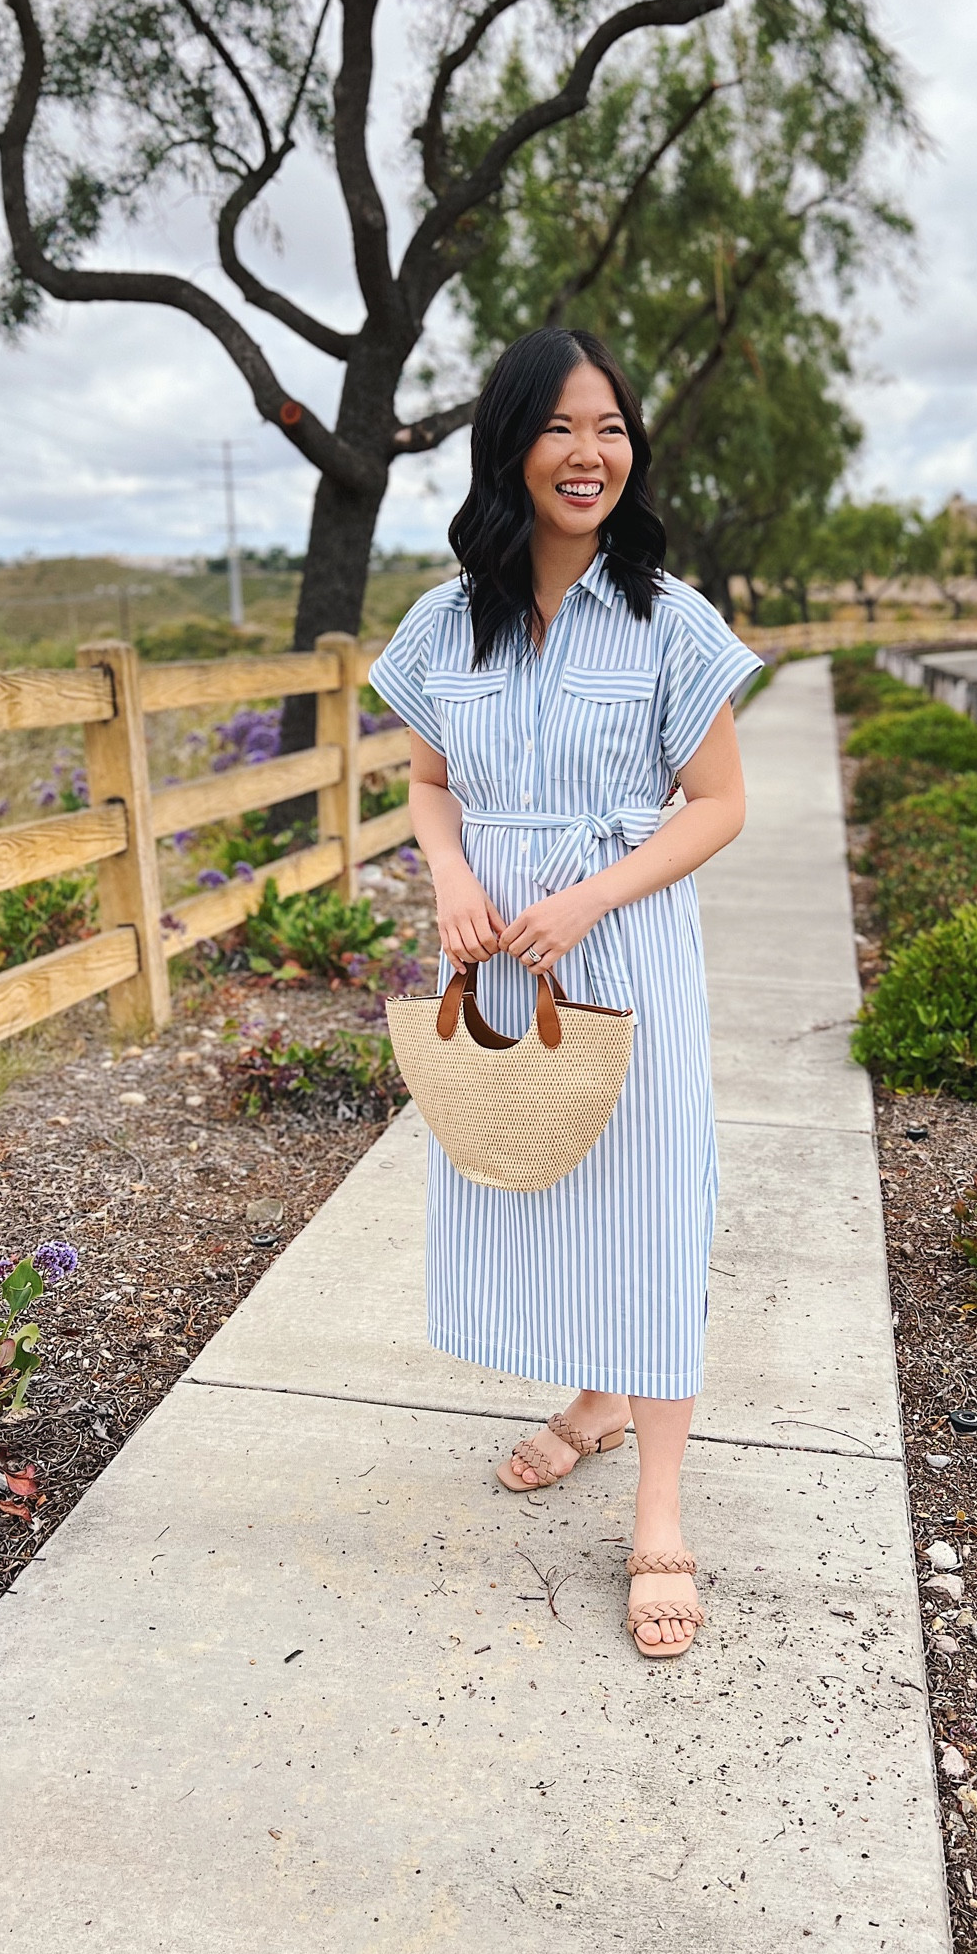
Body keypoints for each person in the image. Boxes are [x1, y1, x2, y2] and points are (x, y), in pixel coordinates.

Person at [368, 326, 761, 1658]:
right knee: (540, 1177)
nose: (589, 454)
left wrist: (593, 896)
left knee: (652, 1205)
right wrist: (448, 879)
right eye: (561, 429)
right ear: (511, 447)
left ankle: (658, 1510)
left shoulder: (668, 616)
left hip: (628, 945)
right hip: (492, 950)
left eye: (611, 429)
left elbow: (719, 807)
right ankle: (596, 1399)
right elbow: (429, 782)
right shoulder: (442, 620)